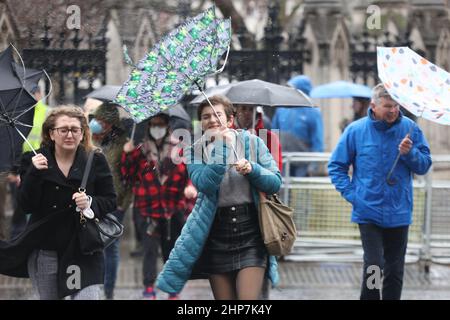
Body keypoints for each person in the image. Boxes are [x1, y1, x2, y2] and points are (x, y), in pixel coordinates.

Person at [156, 95, 282, 300]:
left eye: (217, 115)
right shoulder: (195, 151)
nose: (212, 120)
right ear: (201, 123)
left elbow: (275, 182)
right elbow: (205, 184)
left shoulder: (252, 142)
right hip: (216, 235)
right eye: (206, 117)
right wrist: (223, 147)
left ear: (230, 119)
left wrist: (252, 169)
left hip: (251, 233)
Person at [0, 106, 117, 300]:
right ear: (51, 134)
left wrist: (89, 202)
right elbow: (26, 205)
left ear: (82, 134)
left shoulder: (94, 159)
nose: (69, 134)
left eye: (75, 129)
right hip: (46, 247)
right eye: (63, 130)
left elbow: (110, 200)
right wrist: (34, 174)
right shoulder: (33, 160)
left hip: (84, 247)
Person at [328, 83, 432, 300]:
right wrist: (353, 195)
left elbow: (424, 165)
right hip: (368, 211)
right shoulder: (356, 131)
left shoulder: (411, 128)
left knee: (395, 269)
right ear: (373, 106)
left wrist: (409, 153)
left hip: (399, 211)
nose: (393, 110)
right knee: (374, 265)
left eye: (396, 106)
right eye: (387, 106)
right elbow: (336, 166)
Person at [120, 112, 192, 300]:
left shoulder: (179, 148)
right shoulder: (139, 149)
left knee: (172, 251)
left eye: (160, 124)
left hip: (172, 207)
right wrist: (127, 154)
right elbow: (126, 176)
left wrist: (190, 187)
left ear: (167, 126)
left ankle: (172, 289)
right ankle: (149, 287)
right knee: (149, 250)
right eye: (153, 124)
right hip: (147, 208)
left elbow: (189, 172)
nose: (157, 128)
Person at [89, 102, 133, 300]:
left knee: (111, 247)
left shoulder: (124, 142)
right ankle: (93, 287)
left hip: (116, 202)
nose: (98, 124)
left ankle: (108, 291)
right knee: (93, 244)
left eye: (103, 121)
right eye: (96, 120)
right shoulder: (91, 140)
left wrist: (124, 204)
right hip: (93, 200)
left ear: (111, 124)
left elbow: (132, 176)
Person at [271, 75, 324, 176]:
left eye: (293, 89)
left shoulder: (313, 112)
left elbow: (318, 140)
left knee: (300, 190)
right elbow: (273, 133)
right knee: (282, 189)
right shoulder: (282, 109)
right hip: (283, 159)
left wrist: (314, 165)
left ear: (302, 91)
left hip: (303, 161)